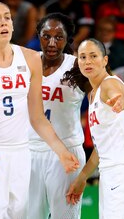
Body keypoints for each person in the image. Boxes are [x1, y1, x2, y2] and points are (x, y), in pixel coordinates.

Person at [0, 1, 79, 219]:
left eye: (7, 17)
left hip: (22, 153)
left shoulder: (31, 59)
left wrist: (61, 151)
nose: (4, 22)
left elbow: (38, 117)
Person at [65, 38, 124, 218]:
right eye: (83, 57)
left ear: (105, 60)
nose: (87, 61)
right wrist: (83, 177)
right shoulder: (92, 95)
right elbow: (100, 146)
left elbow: (119, 96)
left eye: (93, 56)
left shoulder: (110, 84)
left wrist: (120, 101)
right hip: (108, 174)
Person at [27, 12, 86, 219]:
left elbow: (107, 88)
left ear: (67, 39)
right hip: (30, 151)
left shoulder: (77, 66)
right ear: (38, 36)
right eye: (46, 36)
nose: (52, 42)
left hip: (66, 153)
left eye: (59, 37)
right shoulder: (25, 64)